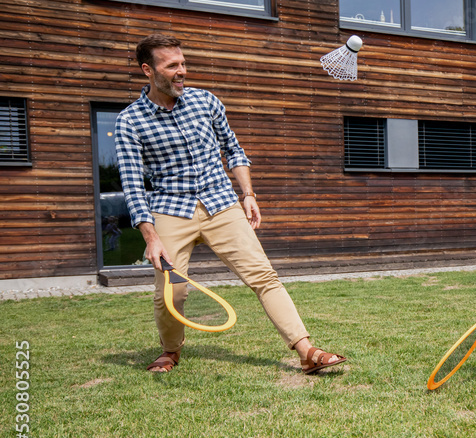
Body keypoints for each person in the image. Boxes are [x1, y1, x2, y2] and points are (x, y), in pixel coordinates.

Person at [115, 33, 345, 375]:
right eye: (172, 65)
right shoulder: (129, 121)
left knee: (264, 276)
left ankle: (307, 350)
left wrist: (247, 193)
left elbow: (234, 150)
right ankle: (170, 351)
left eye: (183, 63)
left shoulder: (206, 102)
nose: (181, 71)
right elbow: (133, 186)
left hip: (220, 202)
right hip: (169, 208)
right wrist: (151, 237)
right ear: (148, 70)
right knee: (172, 292)